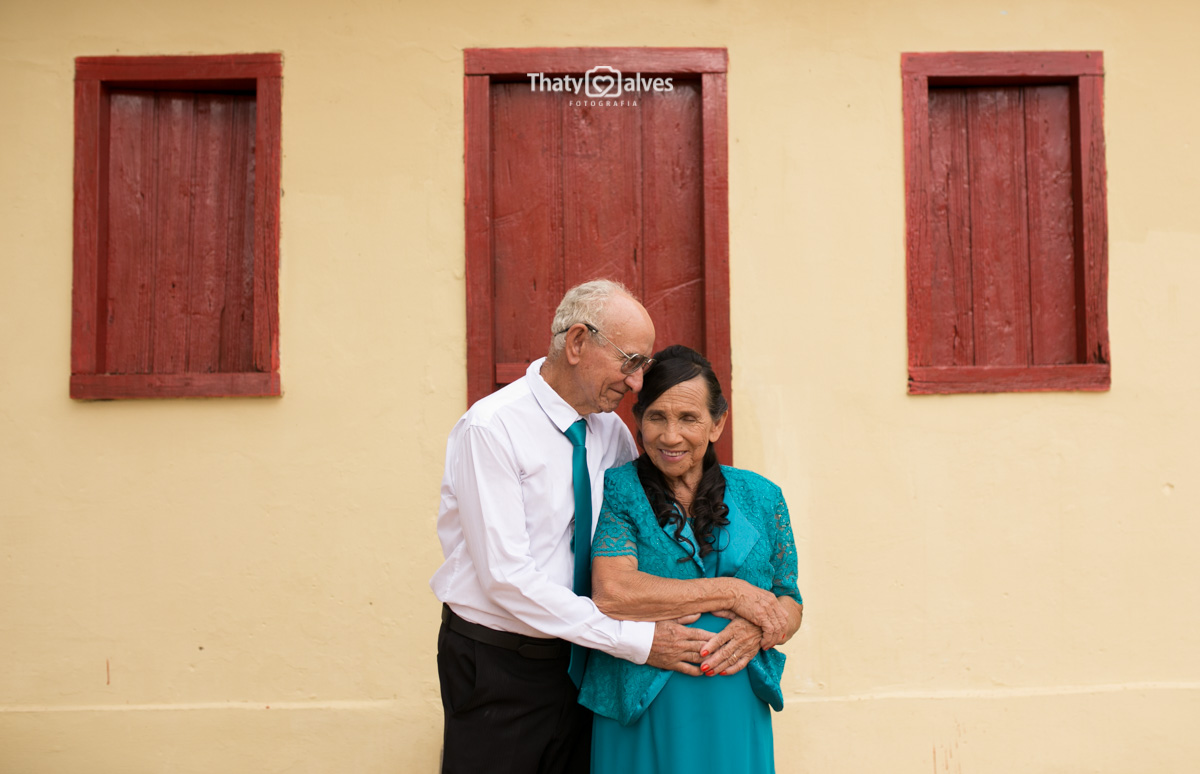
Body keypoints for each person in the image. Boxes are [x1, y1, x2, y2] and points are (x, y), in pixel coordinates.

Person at [432, 281, 743, 774]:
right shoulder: (491, 429)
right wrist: (636, 641)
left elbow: (642, 538)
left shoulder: (610, 431)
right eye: (631, 361)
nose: (637, 383)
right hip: (501, 664)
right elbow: (507, 578)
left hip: (589, 660)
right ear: (577, 342)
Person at [579, 345, 804, 774]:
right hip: (642, 701)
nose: (670, 436)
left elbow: (788, 599)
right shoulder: (621, 490)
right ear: (638, 421)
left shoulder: (763, 496)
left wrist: (761, 629)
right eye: (656, 417)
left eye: (688, 418)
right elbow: (614, 592)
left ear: (717, 423)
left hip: (734, 705)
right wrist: (732, 593)